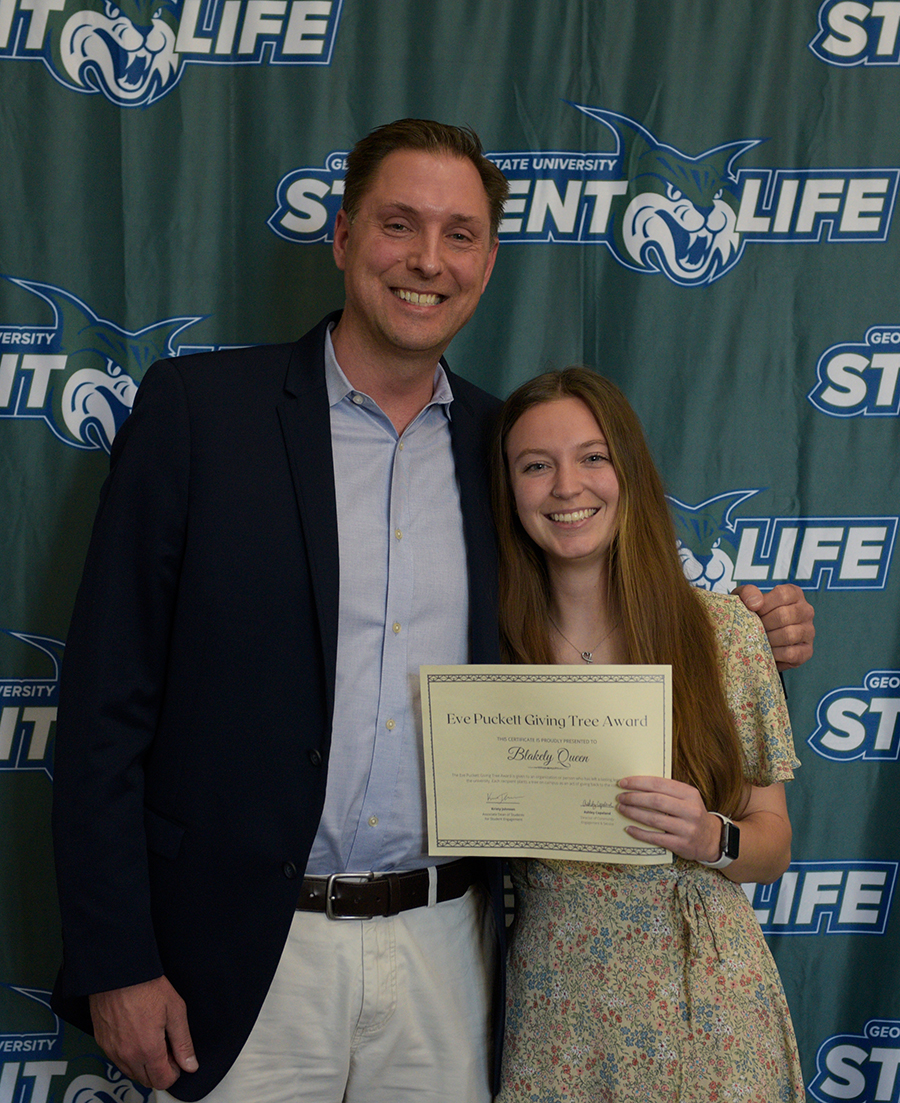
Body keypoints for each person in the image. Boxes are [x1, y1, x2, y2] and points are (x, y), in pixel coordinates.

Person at [50, 120, 813, 1103]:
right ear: (341, 237)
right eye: (399, 224)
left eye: (460, 234)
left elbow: (618, 604)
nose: (427, 259)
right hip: (243, 957)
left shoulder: (510, 449)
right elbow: (106, 702)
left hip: (447, 955)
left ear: (489, 261)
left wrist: (753, 619)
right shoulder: (201, 414)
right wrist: (118, 959)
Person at [491, 366, 805, 1102]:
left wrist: (710, 837)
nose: (567, 485)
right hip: (555, 1016)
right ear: (510, 492)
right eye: (536, 465)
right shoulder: (489, 654)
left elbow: (775, 843)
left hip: (709, 1008)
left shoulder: (724, 632)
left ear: (628, 471)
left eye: (593, 457)